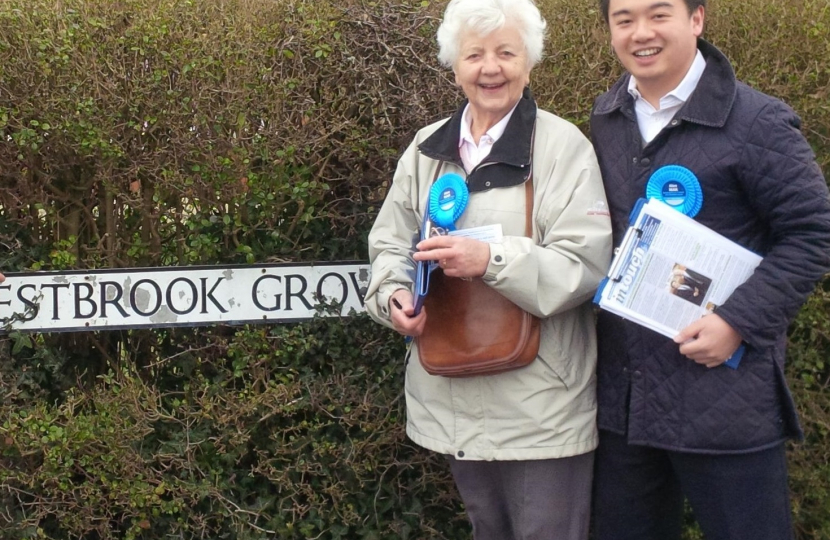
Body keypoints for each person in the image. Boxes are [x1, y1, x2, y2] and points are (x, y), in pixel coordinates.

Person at [364, 0, 612, 538]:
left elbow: (585, 264)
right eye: (474, 54)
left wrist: (491, 261)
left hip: (541, 405)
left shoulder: (563, 148)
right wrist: (394, 298)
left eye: (506, 52)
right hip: (450, 393)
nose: (490, 68)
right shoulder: (426, 151)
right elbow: (387, 243)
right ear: (455, 65)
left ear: (529, 61)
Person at [589, 0, 830, 539]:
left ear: (696, 19)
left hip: (722, 398)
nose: (641, 33)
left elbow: (813, 232)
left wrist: (738, 321)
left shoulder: (757, 120)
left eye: (659, 15)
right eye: (623, 19)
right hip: (626, 402)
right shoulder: (605, 120)